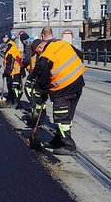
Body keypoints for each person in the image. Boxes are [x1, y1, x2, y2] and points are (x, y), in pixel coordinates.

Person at [31, 27, 85, 155]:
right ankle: (58, 140)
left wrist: (42, 95)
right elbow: (80, 55)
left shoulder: (46, 55)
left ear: (40, 46)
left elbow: (42, 80)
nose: (38, 54)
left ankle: (69, 145)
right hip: (78, 84)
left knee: (61, 117)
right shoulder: (64, 44)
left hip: (63, 89)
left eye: (37, 51)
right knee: (67, 116)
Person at [2, 34, 24, 107]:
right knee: (13, 86)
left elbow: (10, 63)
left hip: (15, 71)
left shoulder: (10, 49)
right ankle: (14, 100)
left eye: (3, 49)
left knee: (14, 87)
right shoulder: (11, 47)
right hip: (15, 71)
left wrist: (6, 72)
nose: (2, 51)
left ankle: (16, 101)